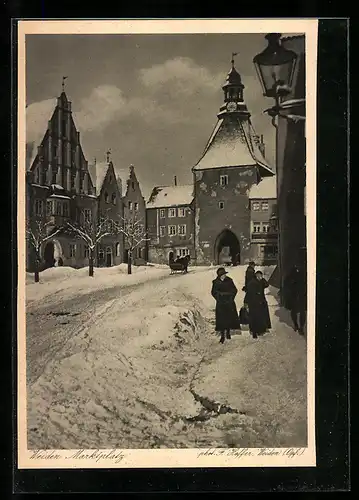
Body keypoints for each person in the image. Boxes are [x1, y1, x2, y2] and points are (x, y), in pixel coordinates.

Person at [211, 267, 241, 344]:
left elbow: (235, 290)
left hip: (229, 302)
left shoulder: (229, 281)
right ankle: (222, 336)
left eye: (224, 274)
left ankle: (228, 333)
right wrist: (219, 298)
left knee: (229, 318)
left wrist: (231, 297)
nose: (224, 276)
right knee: (221, 319)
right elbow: (213, 292)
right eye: (223, 275)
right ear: (219, 275)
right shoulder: (216, 282)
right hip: (221, 303)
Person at [246, 270, 271, 339]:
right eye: (259, 275)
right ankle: (254, 332)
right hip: (254, 302)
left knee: (261, 316)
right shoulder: (252, 282)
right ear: (256, 275)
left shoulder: (261, 281)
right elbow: (250, 292)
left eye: (261, 275)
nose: (260, 276)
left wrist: (263, 279)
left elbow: (267, 284)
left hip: (261, 301)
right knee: (254, 317)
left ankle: (261, 330)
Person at [284, 263, 307, 335]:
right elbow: (286, 284)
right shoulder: (290, 275)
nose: (297, 269)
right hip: (294, 296)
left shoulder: (304, 275)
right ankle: (296, 325)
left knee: (302, 312)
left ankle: (301, 327)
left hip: (301, 296)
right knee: (294, 312)